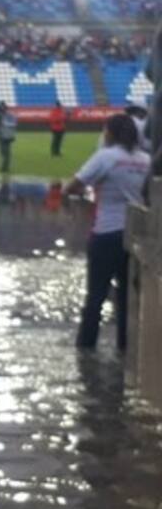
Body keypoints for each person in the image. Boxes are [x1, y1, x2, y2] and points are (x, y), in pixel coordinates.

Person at [64, 113, 151, 351]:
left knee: (96, 296)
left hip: (107, 232)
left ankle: (85, 348)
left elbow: (73, 186)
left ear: (109, 133)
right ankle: (125, 348)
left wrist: (79, 194)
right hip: (135, 234)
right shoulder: (145, 160)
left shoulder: (106, 157)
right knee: (127, 298)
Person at [0, 102, 17, 173]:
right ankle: (4, 165)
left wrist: (5, 123)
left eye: (2, 107)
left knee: (6, 152)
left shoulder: (10, 115)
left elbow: (14, 124)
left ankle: (5, 167)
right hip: (1, 135)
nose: (1, 109)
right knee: (2, 151)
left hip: (8, 135)